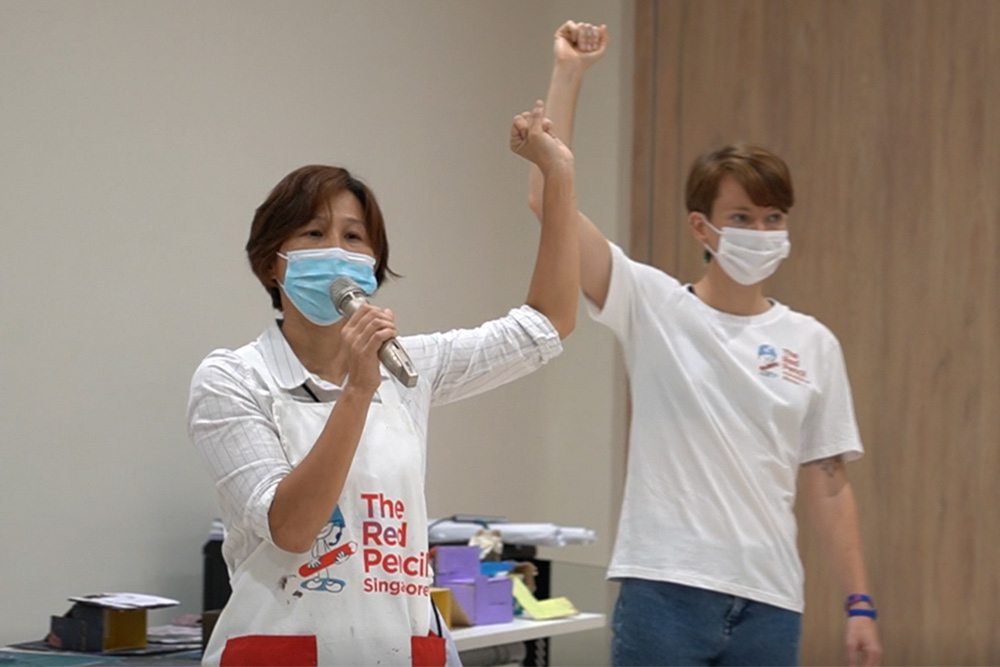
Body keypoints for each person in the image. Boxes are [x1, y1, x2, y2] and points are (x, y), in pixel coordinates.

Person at [526, 21, 883, 667]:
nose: (762, 231)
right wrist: (569, 74)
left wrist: (859, 601)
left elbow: (829, 480)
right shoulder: (653, 303)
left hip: (771, 601)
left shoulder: (814, 342)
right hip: (665, 589)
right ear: (703, 226)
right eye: (742, 217)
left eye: (774, 218)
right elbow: (548, 204)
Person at [188, 101, 577, 667]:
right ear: (272, 265)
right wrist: (356, 392)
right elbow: (293, 529)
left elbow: (546, 325)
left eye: (354, 237)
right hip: (282, 647)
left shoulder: (407, 367)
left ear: (375, 263)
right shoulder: (233, 378)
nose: (338, 254)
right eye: (314, 233)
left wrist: (558, 176)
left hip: (402, 646)